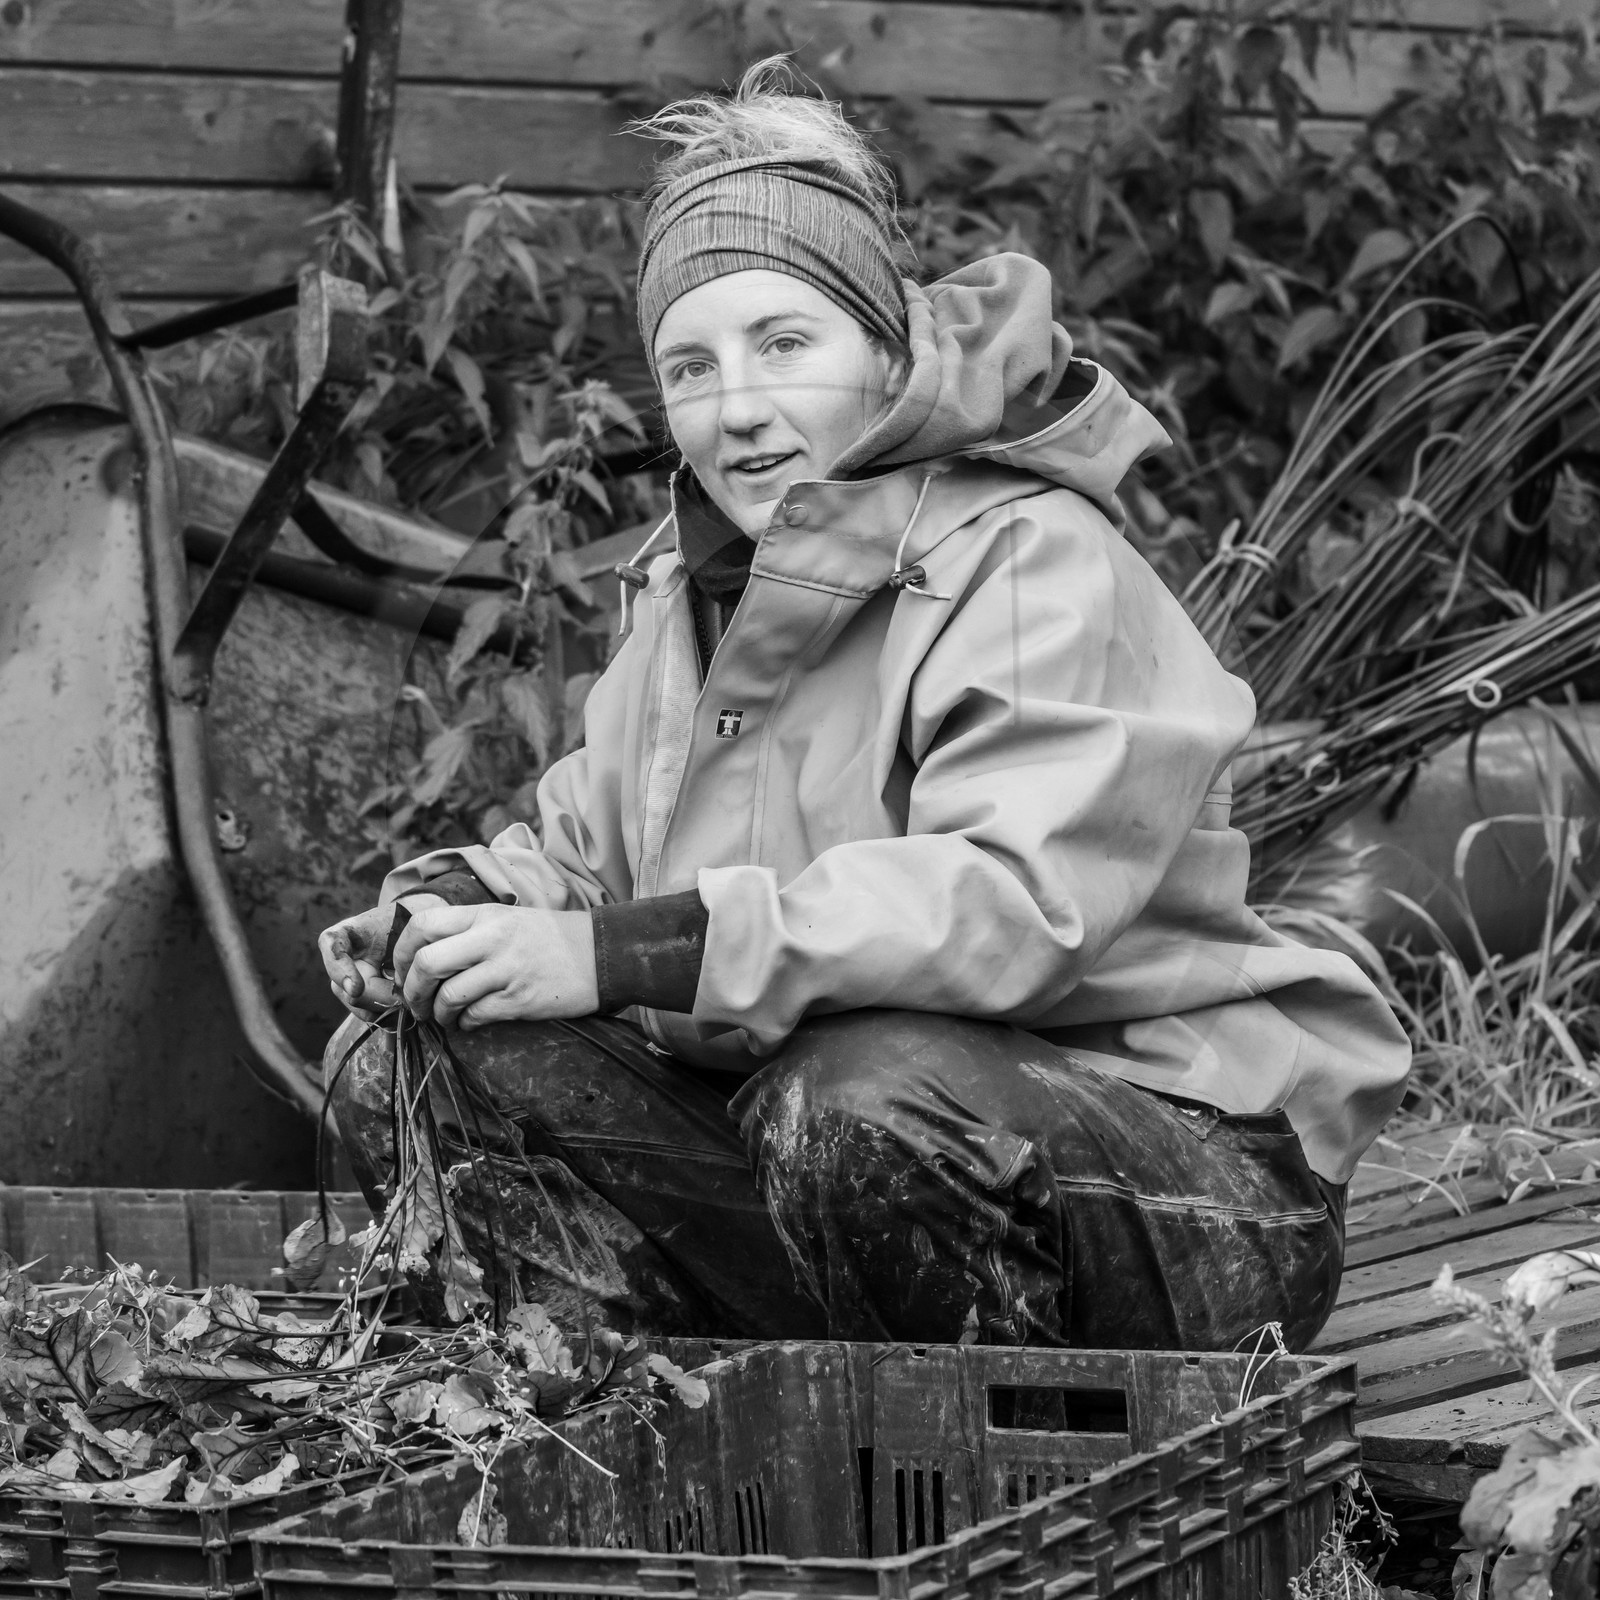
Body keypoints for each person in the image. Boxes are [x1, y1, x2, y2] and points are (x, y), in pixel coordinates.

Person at [318, 61, 1410, 1350]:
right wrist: (461, 912)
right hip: (848, 1170)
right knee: (410, 1056)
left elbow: (1010, 903)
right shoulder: (689, 594)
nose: (740, 410)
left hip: (1175, 1176)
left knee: (855, 1099)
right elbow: (589, 856)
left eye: (785, 343)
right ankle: (677, 1441)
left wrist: (619, 955)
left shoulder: (1028, 557)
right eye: (691, 366)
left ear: (886, 345)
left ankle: (1011, 1491)